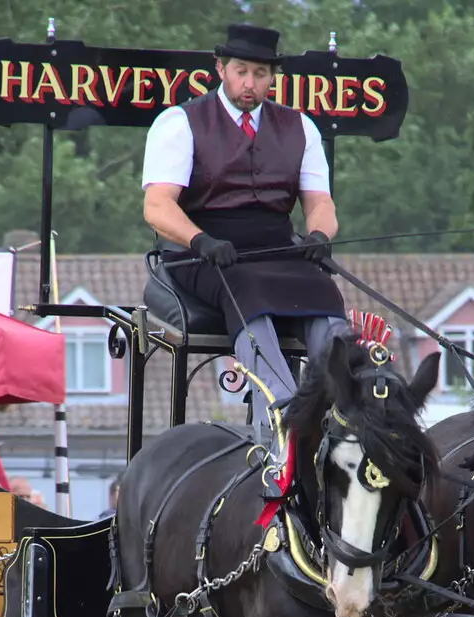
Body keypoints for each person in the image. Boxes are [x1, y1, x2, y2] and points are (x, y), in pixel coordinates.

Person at [140, 23, 349, 496]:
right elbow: (157, 207)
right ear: (221, 70)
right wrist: (200, 240)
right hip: (205, 254)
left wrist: (318, 234)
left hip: (278, 248)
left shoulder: (300, 127)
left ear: (272, 76)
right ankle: (281, 411)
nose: (250, 83)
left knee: (324, 292)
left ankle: (337, 404)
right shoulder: (181, 122)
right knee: (249, 290)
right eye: (241, 72)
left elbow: (321, 202)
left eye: (260, 73)